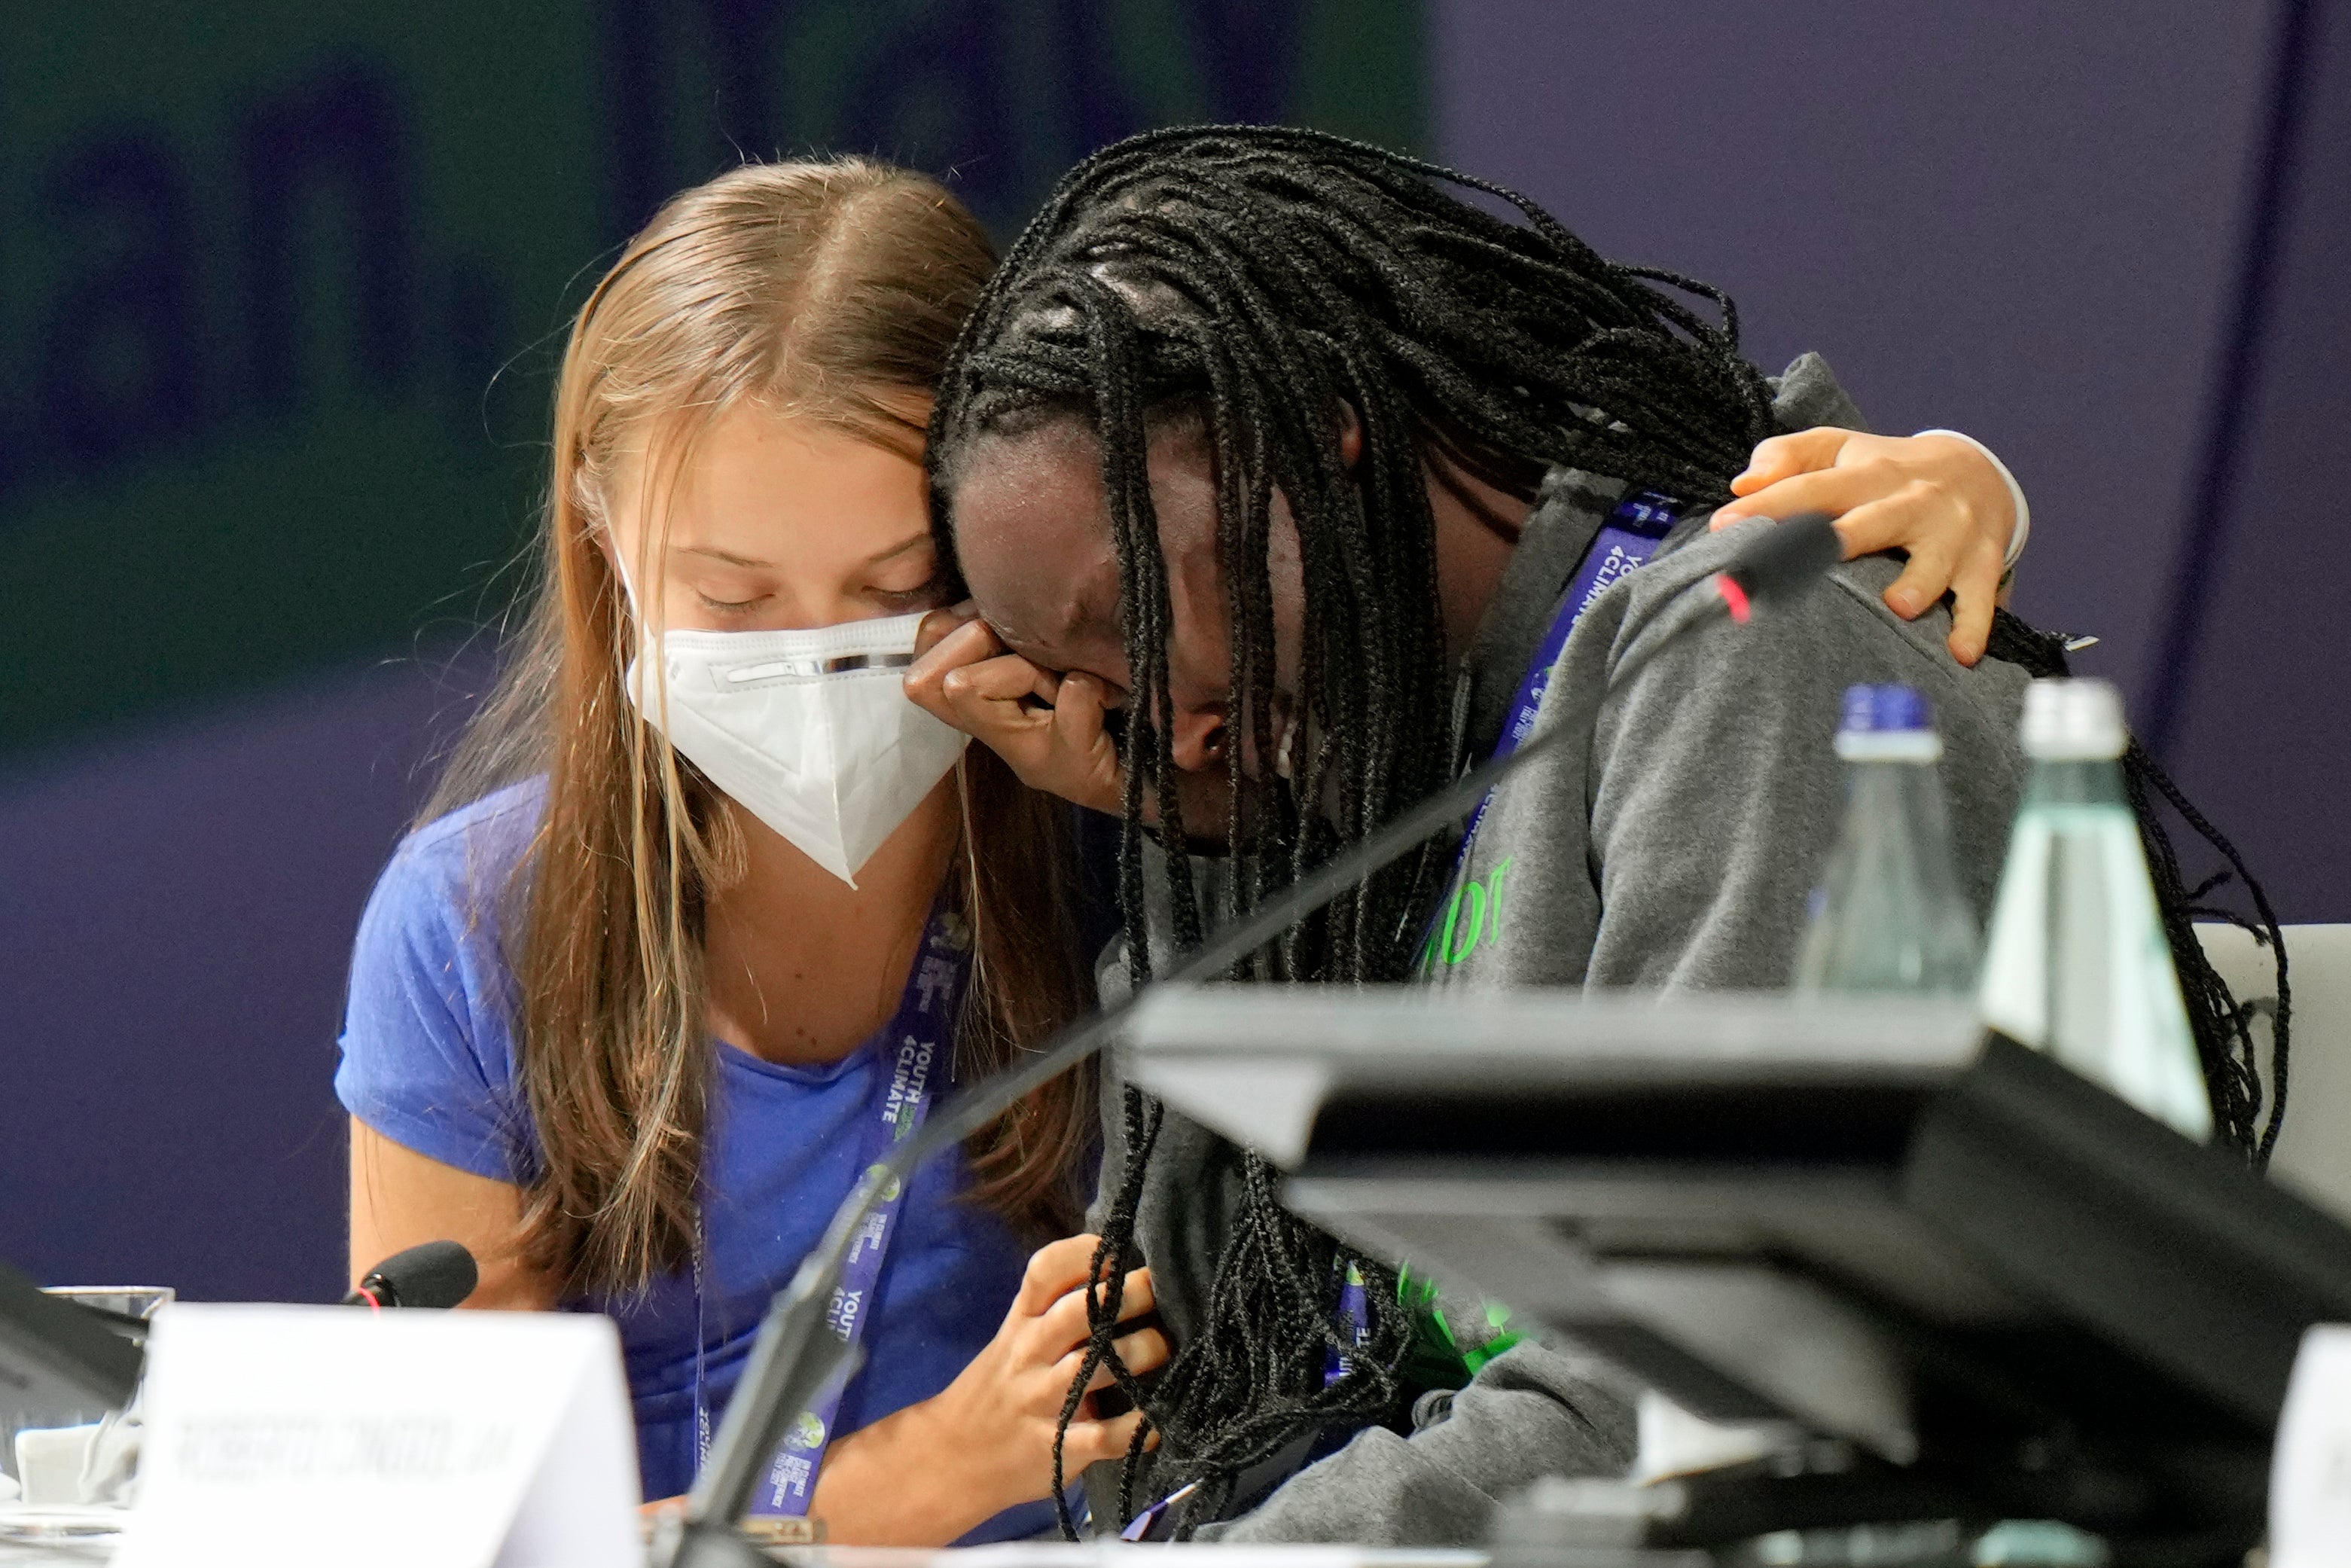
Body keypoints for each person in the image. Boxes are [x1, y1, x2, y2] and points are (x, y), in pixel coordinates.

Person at [904, 126, 2067, 1541]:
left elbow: (1685, 1401)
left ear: (1302, 452)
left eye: (1129, 623)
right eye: (1069, 678)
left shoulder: (1736, 657)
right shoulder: (1347, 765)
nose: (1147, 716)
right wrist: (1210, 840)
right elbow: (1208, 1402)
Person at [335, 160, 1171, 1545]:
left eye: (897, 588)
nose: (812, 652)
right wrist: (925, 1477)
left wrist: (1177, 842)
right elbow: (461, 1538)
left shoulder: (1134, 852)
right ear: (604, 537)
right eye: (732, 598)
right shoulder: (467, 924)